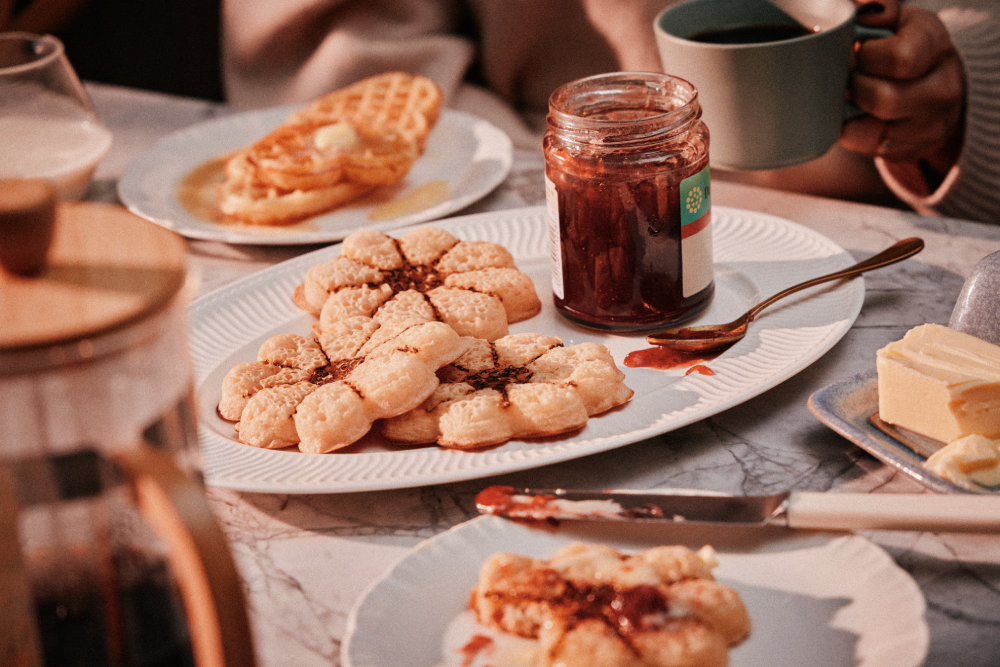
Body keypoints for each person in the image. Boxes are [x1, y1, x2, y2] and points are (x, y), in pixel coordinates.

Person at [220, 0, 999, 222]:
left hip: (904, 226)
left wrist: (963, 96)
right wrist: (560, 185)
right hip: (542, 191)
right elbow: (350, 77)